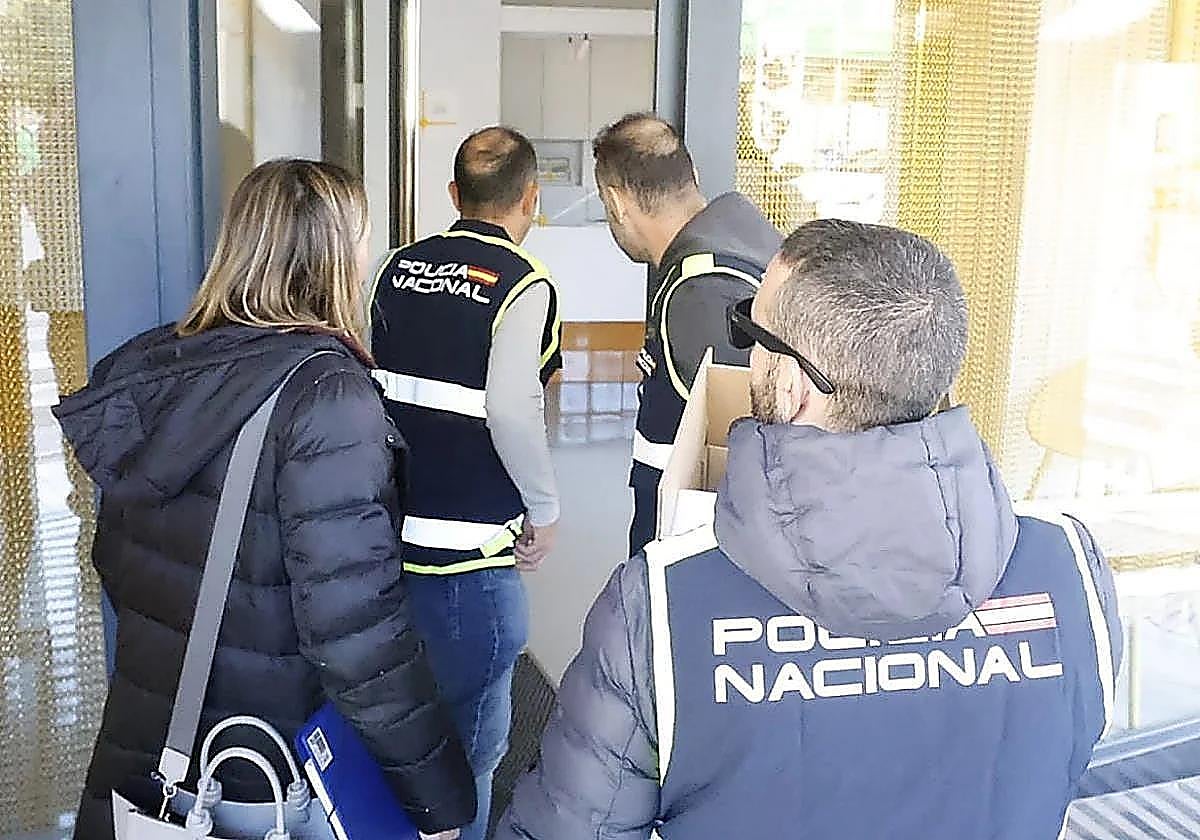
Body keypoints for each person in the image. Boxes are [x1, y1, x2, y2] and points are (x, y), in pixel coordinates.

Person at [497, 220, 1122, 839]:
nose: (746, 348)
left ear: (793, 385)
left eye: (751, 329)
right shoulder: (1073, 566)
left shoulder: (659, 605)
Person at [55, 160, 475, 840]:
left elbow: (119, 566)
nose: (368, 255)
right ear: (332, 254)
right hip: (264, 773)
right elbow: (357, 636)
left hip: (153, 750)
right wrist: (436, 800)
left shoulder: (154, 368)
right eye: (362, 236)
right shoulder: (326, 399)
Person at [369, 126, 562, 840]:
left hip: (381, 555)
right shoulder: (524, 283)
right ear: (531, 201)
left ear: (454, 196)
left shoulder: (394, 266)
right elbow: (517, 408)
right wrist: (545, 507)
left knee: (396, 744)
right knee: (470, 763)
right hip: (469, 570)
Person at [592, 113, 781, 556]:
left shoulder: (700, 290)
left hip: (697, 546)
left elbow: (739, 435)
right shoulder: (739, 235)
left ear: (618, 202)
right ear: (692, 175)